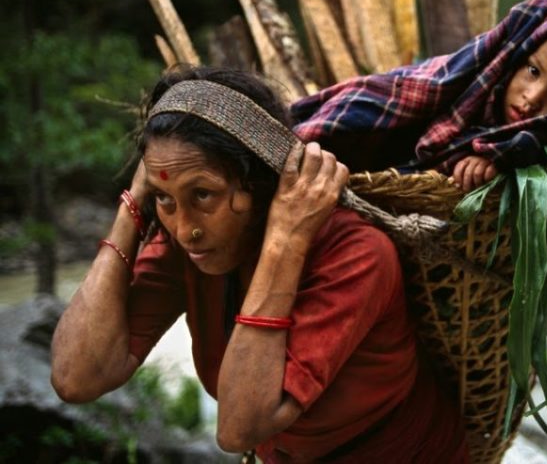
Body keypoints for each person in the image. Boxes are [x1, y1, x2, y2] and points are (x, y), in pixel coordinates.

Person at [50, 67, 468, 462]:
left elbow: (237, 429)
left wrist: (285, 239)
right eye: (167, 199)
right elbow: (76, 377)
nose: (184, 228)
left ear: (259, 184)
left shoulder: (355, 253)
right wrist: (134, 205)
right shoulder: (190, 245)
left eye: (203, 195)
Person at [291, 0, 547, 191]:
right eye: (533, 71)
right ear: (516, 52)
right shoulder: (467, 78)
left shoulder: (538, 151)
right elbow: (379, 101)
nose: (532, 98)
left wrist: (486, 160)